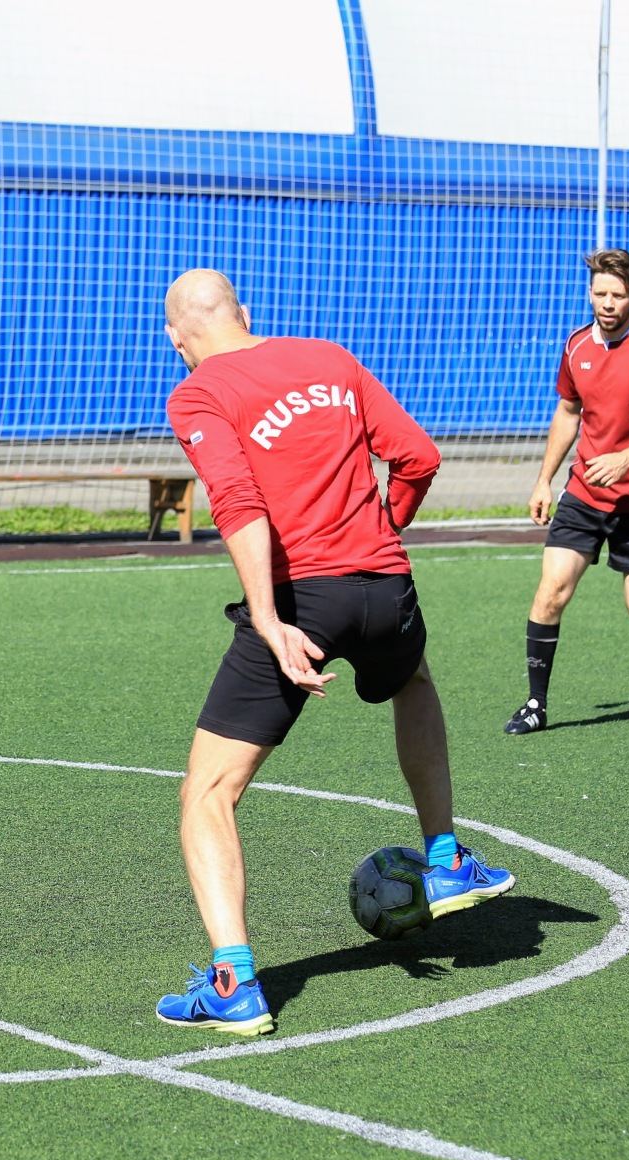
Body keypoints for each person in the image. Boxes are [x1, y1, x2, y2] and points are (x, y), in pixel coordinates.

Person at [155, 269, 514, 1037]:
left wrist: (267, 617)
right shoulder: (329, 357)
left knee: (207, 793)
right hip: (386, 587)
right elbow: (418, 456)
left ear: (176, 337)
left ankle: (233, 984)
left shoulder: (197, 393)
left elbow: (238, 501)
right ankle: (446, 858)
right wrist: (383, 529)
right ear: (245, 312)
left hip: (304, 601)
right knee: (413, 681)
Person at [506, 249, 629, 735]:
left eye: (618, 295)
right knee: (550, 593)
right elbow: (568, 412)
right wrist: (544, 479)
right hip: (584, 495)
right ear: (590, 293)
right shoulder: (576, 345)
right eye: (600, 293)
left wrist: (626, 459)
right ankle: (535, 704)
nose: (608, 303)